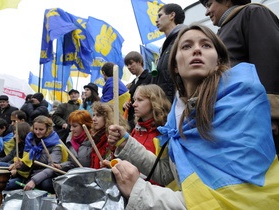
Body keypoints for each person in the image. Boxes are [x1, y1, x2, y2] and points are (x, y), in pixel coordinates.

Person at [105, 24, 279, 209]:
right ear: (175, 65)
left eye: (206, 45)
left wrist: (138, 191)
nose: (196, 49)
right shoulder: (175, 118)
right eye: (186, 46)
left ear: (218, 61)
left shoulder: (241, 106)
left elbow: (224, 201)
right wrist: (126, 142)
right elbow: (166, 174)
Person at [199, 0, 279, 154]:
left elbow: (270, 61)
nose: (206, 12)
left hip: (263, 123)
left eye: (209, 4)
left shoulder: (253, 12)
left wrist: (271, 114)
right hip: (242, 122)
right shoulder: (221, 32)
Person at [6, 116, 67, 193]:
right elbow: (28, 165)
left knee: (46, 184)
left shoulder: (56, 145)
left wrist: (34, 180)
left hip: (46, 178)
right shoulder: (31, 141)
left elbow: (52, 168)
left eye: (41, 129)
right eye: (36, 129)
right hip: (30, 176)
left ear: (48, 129)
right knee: (5, 185)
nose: (37, 132)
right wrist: (20, 166)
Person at [152, 3, 186, 102]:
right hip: (164, 106)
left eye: (160, 15)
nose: (156, 20)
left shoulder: (183, 38)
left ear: (172, 15)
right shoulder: (164, 48)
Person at [91, 101, 129, 169]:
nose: (94, 119)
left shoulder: (116, 139)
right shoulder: (96, 138)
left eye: (98, 115)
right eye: (93, 115)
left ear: (107, 117)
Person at [123, 51, 153, 131]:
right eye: (127, 65)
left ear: (139, 62)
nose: (129, 67)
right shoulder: (133, 83)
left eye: (131, 63)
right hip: (133, 121)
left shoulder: (150, 77)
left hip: (145, 122)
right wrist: (126, 105)